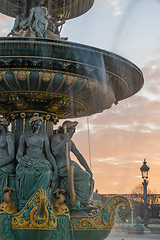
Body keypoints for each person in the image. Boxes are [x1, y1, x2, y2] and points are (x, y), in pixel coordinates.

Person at [16, 116, 57, 208]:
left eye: (39, 124)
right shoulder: (24, 136)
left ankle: (42, 200)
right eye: (36, 123)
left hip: (42, 161)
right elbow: (19, 154)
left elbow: (49, 154)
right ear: (31, 124)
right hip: (28, 160)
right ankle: (28, 201)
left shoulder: (43, 136)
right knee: (28, 172)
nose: (38, 125)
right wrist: (21, 161)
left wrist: (55, 168)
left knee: (47, 172)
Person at [51, 120, 94, 208]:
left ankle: (83, 201)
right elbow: (54, 152)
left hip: (69, 165)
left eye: (74, 130)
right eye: (72, 129)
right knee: (82, 175)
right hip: (60, 165)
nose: (74, 132)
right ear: (66, 129)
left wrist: (88, 169)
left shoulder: (70, 142)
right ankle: (79, 201)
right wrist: (64, 141)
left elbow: (79, 156)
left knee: (86, 175)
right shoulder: (56, 138)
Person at [0, 117, 15, 203]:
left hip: (7, 164)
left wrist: (1, 164)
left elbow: (11, 156)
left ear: (2, 125)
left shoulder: (8, 136)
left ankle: (2, 198)